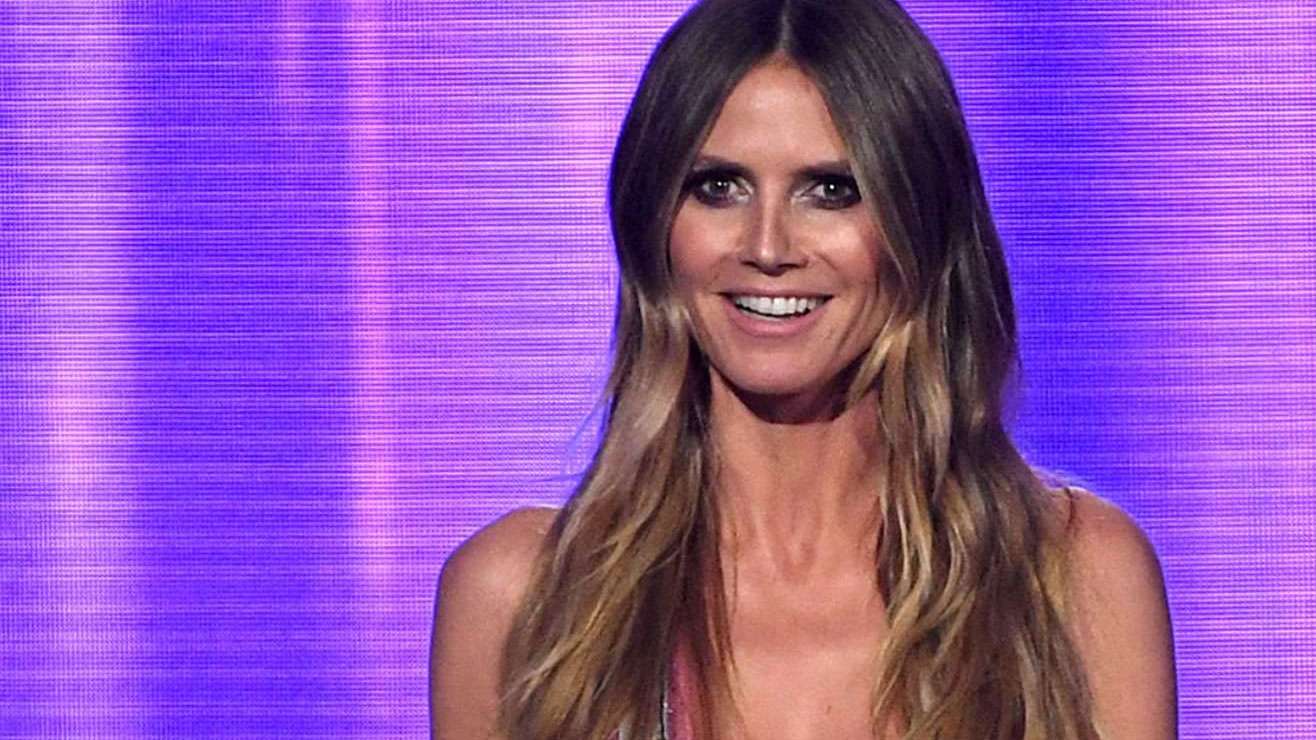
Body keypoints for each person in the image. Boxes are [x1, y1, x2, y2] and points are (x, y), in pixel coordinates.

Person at [430, 0, 1177, 737]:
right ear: (654, 226)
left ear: (918, 225)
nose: (767, 247)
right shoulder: (522, 603)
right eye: (719, 186)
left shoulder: (1074, 582)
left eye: (831, 190)